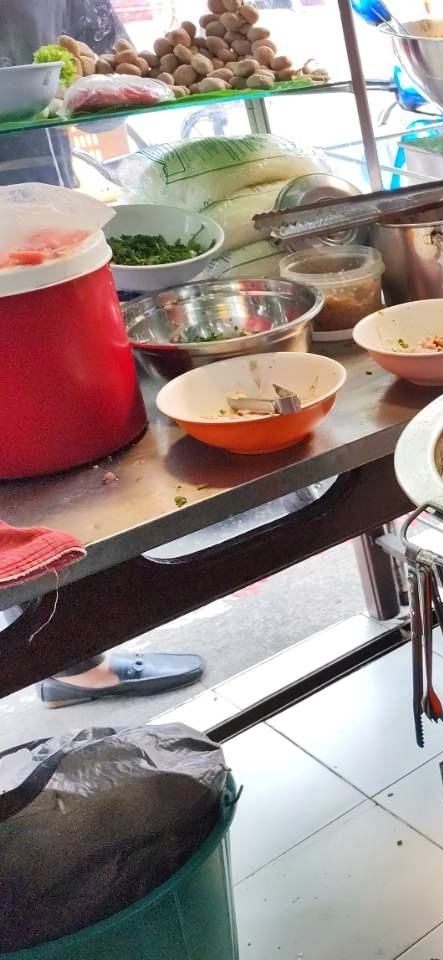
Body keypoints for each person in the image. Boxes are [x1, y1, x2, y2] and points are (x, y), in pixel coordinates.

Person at [0, 0, 206, 709]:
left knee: (76, 466)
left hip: (56, 223)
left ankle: (78, 656)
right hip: (44, 261)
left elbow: (106, 77)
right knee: (51, 468)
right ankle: (74, 659)